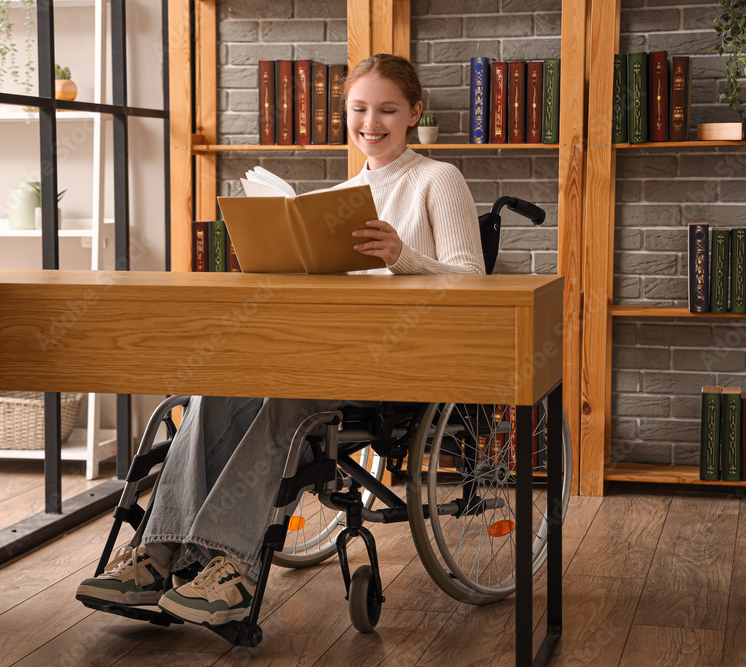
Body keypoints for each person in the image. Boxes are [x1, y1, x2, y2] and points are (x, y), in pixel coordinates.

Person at [75, 53, 484, 627]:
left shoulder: (437, 180)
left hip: (403, 364)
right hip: (329, 350)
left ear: (414, 113)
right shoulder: (345, 194)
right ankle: (159, 551)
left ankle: (234, 567)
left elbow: (473, 281)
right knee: (218, 384)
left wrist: (403, 257)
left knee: (290, 397)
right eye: (359, 109)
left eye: (388, 109)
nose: (372, 122)